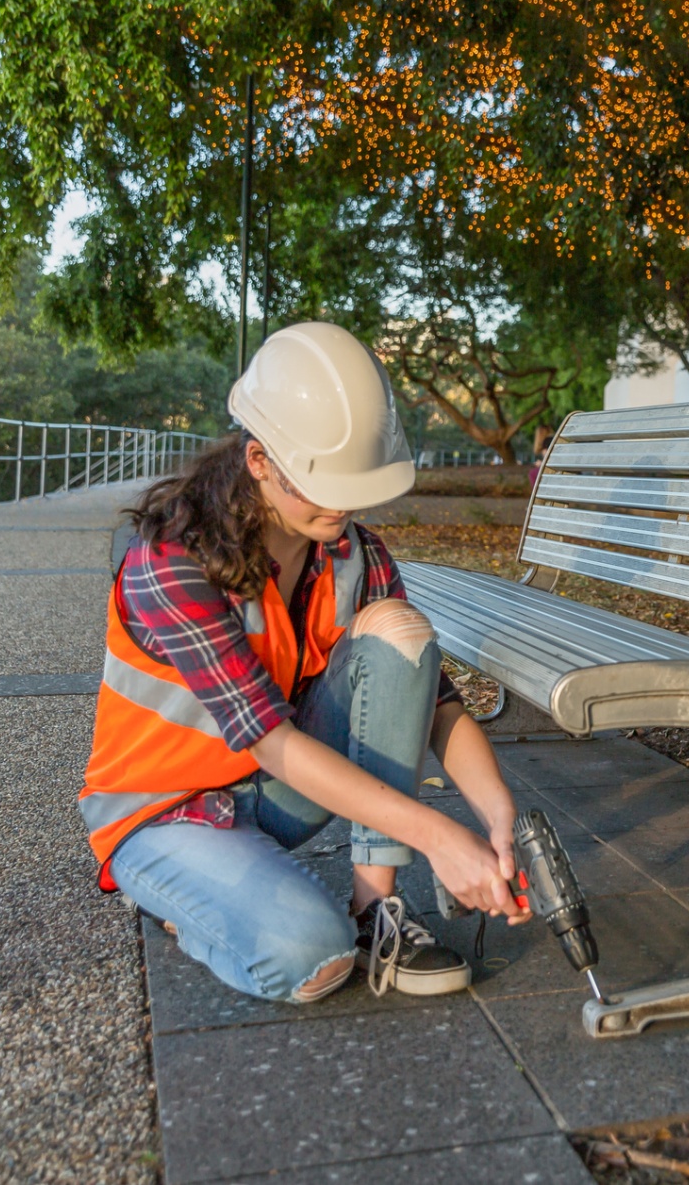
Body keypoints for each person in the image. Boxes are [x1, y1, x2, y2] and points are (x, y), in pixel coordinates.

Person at [79, 322, 529, 1005]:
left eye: (353, 482)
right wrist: (438, 836)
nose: (342, 503)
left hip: (273, 792)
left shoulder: (354, 550)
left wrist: (497, 816)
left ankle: (375, 911)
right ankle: (180, 899)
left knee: (400, 630)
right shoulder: (172, 561)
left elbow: (433, 701)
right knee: (313, 960)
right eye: (322, 483)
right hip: (162, 811)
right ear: (259, 460)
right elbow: (271, 737)